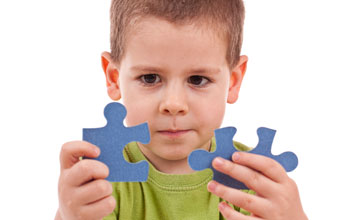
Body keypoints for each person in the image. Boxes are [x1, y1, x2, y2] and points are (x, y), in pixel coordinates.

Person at [56, 0, 308, 219]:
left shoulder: (253, 180)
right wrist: (68, 216)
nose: (173, 105)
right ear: (114, 78)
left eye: (197, 79)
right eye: (150, 78)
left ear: (233, 82)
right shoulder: (100, 177)